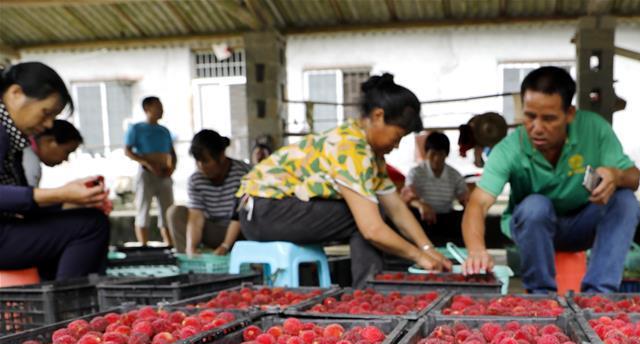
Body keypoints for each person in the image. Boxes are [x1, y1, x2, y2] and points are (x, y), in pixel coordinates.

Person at [236, 73, 451, 287]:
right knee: (366, 219)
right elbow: (372, 229)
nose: (396, 146)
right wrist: (418, 256)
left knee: (372, 213)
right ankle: (368, 291)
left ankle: (369, 289)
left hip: (268, 212)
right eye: (397, 138)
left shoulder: (370, 153)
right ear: (378, 116)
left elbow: (396, 208)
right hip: (264, 212)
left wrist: (428, 249)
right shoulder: (351, 148)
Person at [461, 66, 640, 293]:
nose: (537, 128)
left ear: (570, 114)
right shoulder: (509, 149)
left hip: (581, 225)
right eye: (529, 116)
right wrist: (476, 250)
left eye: (549, 118)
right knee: (535, 206)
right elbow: (477, 203)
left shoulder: (595, 129)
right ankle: (540, 296)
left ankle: (598, 296)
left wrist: (617, 175)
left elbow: (634, 177)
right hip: (533, 230)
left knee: (625, 200)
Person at [0, 62, 109, 280]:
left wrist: (68, 201)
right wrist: (60, 194)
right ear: (15, 93)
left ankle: (55, 294)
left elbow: (20, 202)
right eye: (46, 112)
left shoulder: (12, 137)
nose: (49, 124)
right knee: (91, 226)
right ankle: (65, 299)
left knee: (87, 219)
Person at [166, 130, 248, 256]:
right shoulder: (196, 180)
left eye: (206, 161)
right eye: (197, 161)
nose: (201, 166)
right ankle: (190, 259)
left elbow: (238, 217)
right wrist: (191, 247)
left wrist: (225, 246)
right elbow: (196, 217)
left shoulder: (243, 173)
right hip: (213, 230)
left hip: (239, 232)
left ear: (221, 156)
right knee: (175, 212)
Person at [402, 131, 469, 246]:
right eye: (433, 154)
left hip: (446, 218)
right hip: (424, 218)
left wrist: (470, 209)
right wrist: (421, 205)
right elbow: (407, 198)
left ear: (446, 154)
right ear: (426, 153)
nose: (436, 158)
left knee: (466, 217)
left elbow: (464, 199)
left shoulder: (454, 175)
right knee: (411, 215)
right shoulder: (416, 172)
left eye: (441, 154)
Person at [125, 95, 176, 246]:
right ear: (147, 108)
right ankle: (144, 245)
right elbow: (128, 151)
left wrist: (172, 168)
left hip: (165, 174)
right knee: (143, 209)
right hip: (146, 174)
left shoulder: (164, 131)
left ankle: (169, 244)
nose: (161, 109)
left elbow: (172, 153)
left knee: (167, 210)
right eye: (158, 106)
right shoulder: (136, 128)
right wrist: (148, 164)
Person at [22, 119, 83, 187]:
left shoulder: (22, 147)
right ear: (50, 141)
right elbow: (26, 193)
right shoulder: (31, 163)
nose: (66, 159)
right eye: (67, 152)